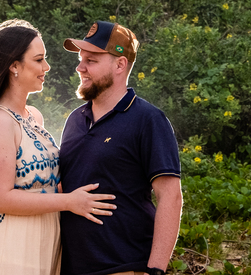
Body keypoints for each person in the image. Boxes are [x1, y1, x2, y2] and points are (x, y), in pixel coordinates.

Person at [0, 19, 118, 275]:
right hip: (13, 248)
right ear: (14, 66)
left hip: (46, 241)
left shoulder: (34, 116)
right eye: (38, 60)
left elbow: (53, 180)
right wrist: (69, 202)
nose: (46, 67)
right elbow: (1, 199)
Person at [58, 21, 183, 275]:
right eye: (81, 60)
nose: (80, 68)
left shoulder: (148, 120)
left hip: (124, 266)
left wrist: (155, 270)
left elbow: (171, 197)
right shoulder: (74, 119)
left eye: (91, 61)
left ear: (119, 64)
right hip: (70, 267)